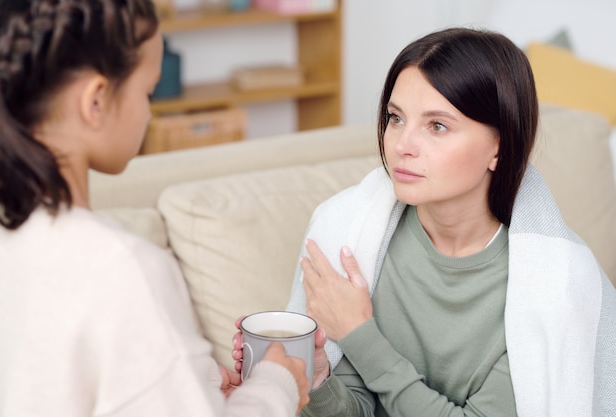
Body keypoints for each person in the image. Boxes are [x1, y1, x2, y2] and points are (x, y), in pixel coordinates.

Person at [233, 28, 616, 416]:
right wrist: (315, 379)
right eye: (395, 118)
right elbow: (359, 407)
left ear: (499, 147)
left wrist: (359, 336)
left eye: (437, 126)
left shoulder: (548, 288)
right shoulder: (356, 235)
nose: (401, 145)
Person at [0, 1, 309, 416]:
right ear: (96, 101)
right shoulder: (121, 269)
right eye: (147, 91)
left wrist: (191, 379)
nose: (147, 110)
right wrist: (277, 382)